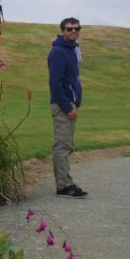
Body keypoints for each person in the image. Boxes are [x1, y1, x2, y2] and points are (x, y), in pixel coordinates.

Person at [48, 17, 88, 198]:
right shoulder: (58, 52)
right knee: (63, 145)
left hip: (69, 103)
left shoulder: (72, 49)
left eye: (76, 28)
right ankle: (63, 186)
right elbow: (55, 83)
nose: (74, 31)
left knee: (67, 145)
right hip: (62, 105)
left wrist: (76, 101)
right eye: (70, 29)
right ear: (63, 30)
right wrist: (67, 106)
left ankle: (66, 181)